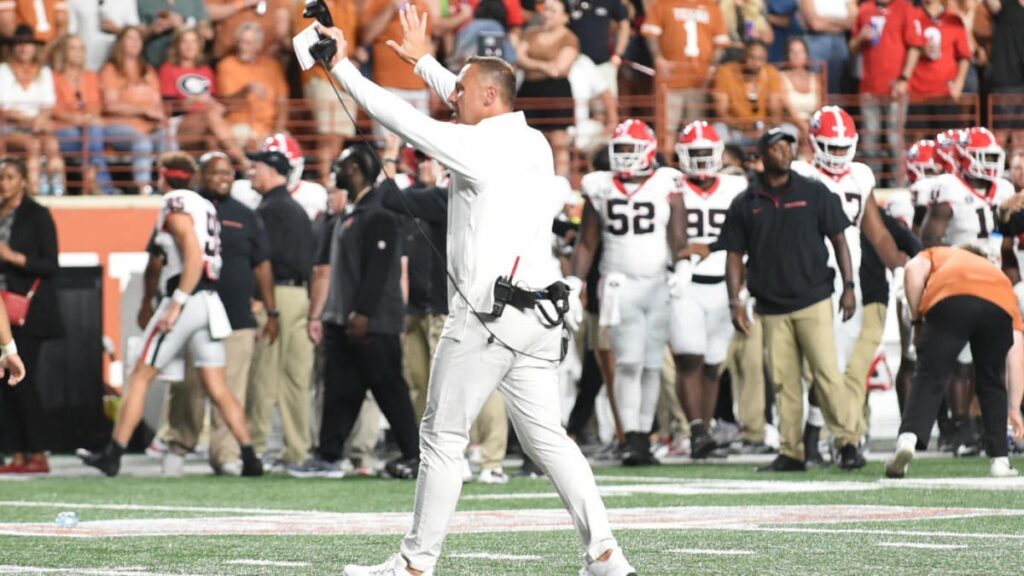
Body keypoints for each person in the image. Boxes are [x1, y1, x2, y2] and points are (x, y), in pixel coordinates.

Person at [314, 6, 637, 573]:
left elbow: (402, 119)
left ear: (486, 98)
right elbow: (475, 96)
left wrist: (342, 67)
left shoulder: (481, 146)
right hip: (539, 318)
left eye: (459, 90)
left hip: (489, 315)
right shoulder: (530, 139)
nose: (450, 97)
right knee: (550, 442)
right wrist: (426, 64)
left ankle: (416, 563)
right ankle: (606, 554)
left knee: (441, 437)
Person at [78, 152, 263, 477]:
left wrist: (176, 302)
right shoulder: (205, 205)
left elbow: (191, 255)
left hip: (188, 297)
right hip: (210, 300)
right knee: (217, 385)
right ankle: (250, 457)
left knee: (140, 376)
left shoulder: (177, 203)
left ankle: (114, 454)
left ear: (164, 176)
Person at [721, 128, 866, 472]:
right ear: (762, 154)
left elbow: (839, 240)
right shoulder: (746, 201)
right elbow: (733, 255)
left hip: (813, 297)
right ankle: (792, 450)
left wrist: (848, 286)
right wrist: (734, 301)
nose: (785, 152)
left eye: (789, 145)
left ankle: (848, 443)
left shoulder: (814, 191)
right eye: (777, 147)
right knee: (785, 382)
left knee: (827, 374)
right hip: (770, 305)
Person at [291, 144, 421, 480]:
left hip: (373, 324)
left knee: (391, 391)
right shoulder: (351, 214)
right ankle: (329, 455)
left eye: (344, 166)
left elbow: (378, 271)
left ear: (360, 170)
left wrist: (363, 313)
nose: (337, 170)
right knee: (340, 392)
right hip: (346, 322)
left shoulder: (379, 214)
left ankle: (417, 455)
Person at [790, 105, 910, 457]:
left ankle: (823, 437)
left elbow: (876, 232)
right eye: (832, 146)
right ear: (814, 143)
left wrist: (899, 268)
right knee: (816, 367)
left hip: (848, 279)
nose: (839, 154)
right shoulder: (799, 173)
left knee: (834, 366)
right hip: (806, 277)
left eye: (844, 146)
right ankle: (820, 437)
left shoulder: (860, 175)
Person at [150, 152, 278, 476]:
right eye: (214, 172)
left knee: (229, 388)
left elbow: (262, 264)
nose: (222, 177)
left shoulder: (247, 215)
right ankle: (178, 445)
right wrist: (148, 299)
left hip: (234, 314)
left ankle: (227, 455)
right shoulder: (187, 206)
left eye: (227, 172)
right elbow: (156, 255)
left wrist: (271, 309)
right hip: (195, 312)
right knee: (188, 387)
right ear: (199, 175)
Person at [569, 118, 687, 466]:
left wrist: (681, 265)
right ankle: (631, 435)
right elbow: (587, 242)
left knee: (651, 364)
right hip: (619, 285)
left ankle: (643, 437)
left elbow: (678, 233)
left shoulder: (666, 181)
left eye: (629, 149)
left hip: (657, 283)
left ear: (649, 150)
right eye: (618, 149)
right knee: (629, 362)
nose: (622, 156)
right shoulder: (600, 185)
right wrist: (576, 282)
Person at [886, 245, 1022, 479]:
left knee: (930, 373)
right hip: (998, 305)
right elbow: (1017, 349)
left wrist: (918, 322)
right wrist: (1014, 408)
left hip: (951, 295)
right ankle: (1000, 459)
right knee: (992, 381)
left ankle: (907, 439)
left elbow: (913, 270)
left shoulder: (940, 253)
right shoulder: (997, 276)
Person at [918, 126, 1015, 455]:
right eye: (982, 157)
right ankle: (960, 429)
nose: (988, 164)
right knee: (960, 360)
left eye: (992, 157)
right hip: (958, 280)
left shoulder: (1003, 189)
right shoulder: (949, 186)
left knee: (990, 362)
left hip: (994, 281)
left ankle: (988, 432)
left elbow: (1010, 238)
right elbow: (930, 238)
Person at [669, 121, 748, 459]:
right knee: (689, 358)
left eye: (706, 152)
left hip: (724, 283)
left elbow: (746, 234)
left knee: (714, 363)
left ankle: (707, 428)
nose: (701, 160)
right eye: (694, 153)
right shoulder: (671, 185)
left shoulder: (736, 186)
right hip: (685, 283)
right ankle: (697, 429)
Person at [245, 139, 317, 468]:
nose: (251, 171)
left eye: (257, 166)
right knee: (296, 379)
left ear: (273, 172)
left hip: (277, 297)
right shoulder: (296, 209)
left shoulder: (268, 210)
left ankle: (256, 446)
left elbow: (264, 263)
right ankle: (298, 449)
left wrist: (264, 303)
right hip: (302, 296)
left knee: (265, 374)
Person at [0, 156, 59, 474]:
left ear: (23, 180)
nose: (3, 183)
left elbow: (51, 263)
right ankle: (17, 454)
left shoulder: (38, 215)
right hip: (1, 312)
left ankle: (37, 451)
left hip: (28, 311)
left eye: (9, 177)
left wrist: (13, 257)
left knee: (22, 382)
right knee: (4, 386)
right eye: (1, 178)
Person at [159, 29, 247, 167]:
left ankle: (216, 176)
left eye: (193, 42)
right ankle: (244, 162)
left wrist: (214, 105)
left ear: (199, 46)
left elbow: (213, 100)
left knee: (212, 140)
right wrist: (189, 102)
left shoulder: (205, 70)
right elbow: (167, 106)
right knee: (210, 117)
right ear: (178, 45)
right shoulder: (169, 69)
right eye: (185, 42)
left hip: (206, 123)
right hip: (180, 123)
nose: (189, 46)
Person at [99, 26, 171, 195]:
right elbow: (110, 106)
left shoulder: (148, 71)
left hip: (148, 127)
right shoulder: (111, 70)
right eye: (130, 38)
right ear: (121, 43)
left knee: (167, 138)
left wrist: (160, 117)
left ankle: (170, 185)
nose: (134, 43)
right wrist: (142, 110)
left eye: (138, 39)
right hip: (117, 126)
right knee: (142, 142)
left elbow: (157, 103)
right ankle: (142, 188)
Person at [514, 0, 580, 178]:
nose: (546, 13)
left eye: (553, 10)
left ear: (565, 17)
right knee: (527, 141)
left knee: (559, 143)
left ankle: (560, 185)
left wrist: (532, 63)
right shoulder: (531, 33)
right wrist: (545, 66)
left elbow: (559, 68)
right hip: (528, 91)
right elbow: (519, 58)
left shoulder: (570, 37)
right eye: (545, 9)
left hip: (557, 93)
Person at [0, 25, 66, 196]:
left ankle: (57, 186)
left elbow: (48, 105)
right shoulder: (3, 71)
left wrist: (39, 121)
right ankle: (35, 186)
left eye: (28, 44)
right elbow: (4, 108)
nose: (23, 48)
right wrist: (31, 121)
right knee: (33, 144)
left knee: (52, 144)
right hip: (11, 126)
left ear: (34, 48)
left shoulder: (44, 72)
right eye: (19, 44)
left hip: (38, 125)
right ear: (13, 48)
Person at [50, 33, 117, 195]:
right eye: (73, 48)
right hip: (64, 127)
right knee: (90, 138)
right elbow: (53, 107)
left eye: (81, 48)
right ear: (64, 51)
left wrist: (87, 117)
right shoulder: (54, 78)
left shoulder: (91, 76)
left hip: (88, 126)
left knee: (94, 130)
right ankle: (103, 186)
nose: (77, 52)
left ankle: (92, 175)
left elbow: (96, 103)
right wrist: (75, 118)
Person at [216, 22, 289, 150]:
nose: (243, 48)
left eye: (248, 43)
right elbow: (227, 104)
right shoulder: (227, 65)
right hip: (240, 125)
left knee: (289, 148)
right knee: (253, 141)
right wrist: (246, 90)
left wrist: (278, 131)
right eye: (241, 42)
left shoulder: (272, 66)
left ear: (258, 45)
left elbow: (282, 102)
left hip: (269, 127)